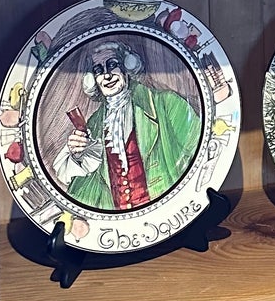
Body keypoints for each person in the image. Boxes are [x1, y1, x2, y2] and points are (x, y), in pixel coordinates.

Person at [52, 45, 200, 211]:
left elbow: (199, 149)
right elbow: (84, 188)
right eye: (98, 70)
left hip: (166, 210)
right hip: (119, 223)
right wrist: (77, 155)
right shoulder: (93, 124)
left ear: (127, 67)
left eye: (113, 65)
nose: (107, 75)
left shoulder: (164, 103)